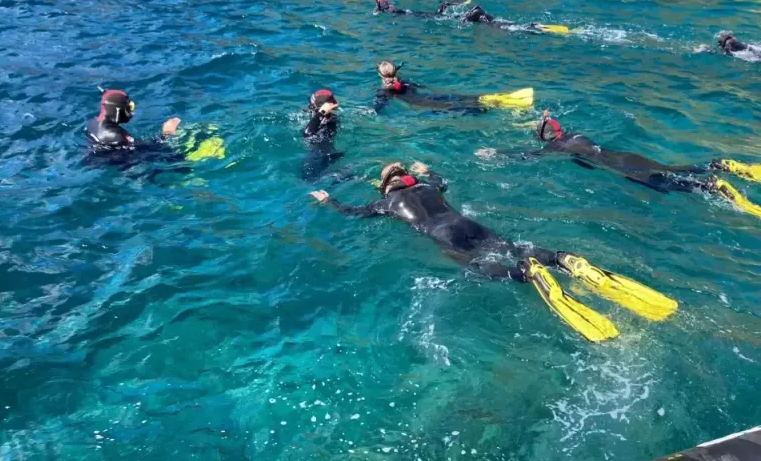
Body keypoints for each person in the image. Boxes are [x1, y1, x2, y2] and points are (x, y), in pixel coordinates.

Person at [309, 161, 678, 341]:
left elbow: (355, 214)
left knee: (474, 265)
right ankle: (561, 258)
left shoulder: (388, 204)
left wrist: (330, 201)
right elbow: (443, 181)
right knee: (514, 246)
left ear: (385, 187)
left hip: (444, 236)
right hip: (467, 223)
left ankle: (525, 274)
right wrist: (429, 171)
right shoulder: (428, 189)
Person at [476, 111, 761, 217]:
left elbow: (528, 155)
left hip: (621, 167)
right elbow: (551, 130)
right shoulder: (575, 135)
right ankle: (717, 166)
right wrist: (545, 119)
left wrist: (496, 152)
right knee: (671, 167)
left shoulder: (557, 147)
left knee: (661, 183)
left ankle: (708, 186)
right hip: (624, 155)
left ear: (545, 138)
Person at [373, 61, 533, 114]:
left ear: (381, 75)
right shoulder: (404, 81)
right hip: (431, 96)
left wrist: (375, 111)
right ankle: (494, 97)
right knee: (461, 98)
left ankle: (500, 104)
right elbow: (420, 86)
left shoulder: (385, 91)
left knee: (458, 108)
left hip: (424, 103)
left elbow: (379, 106)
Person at [374, 0, 569, 34]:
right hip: (437, 16)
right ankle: (535, 25)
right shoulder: (398, 10)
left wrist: (380, 10)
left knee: (504, 27)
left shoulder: (397, 12)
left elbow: (396, 12)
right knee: (499, 23)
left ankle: (474, 13)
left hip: (439, 18)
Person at [301, 89, 345, 181]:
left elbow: (307, 134)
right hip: (330, 154)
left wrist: (320, 113)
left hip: (317, 156)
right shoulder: (333, 119)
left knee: (308, 180)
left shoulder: (328, 120)